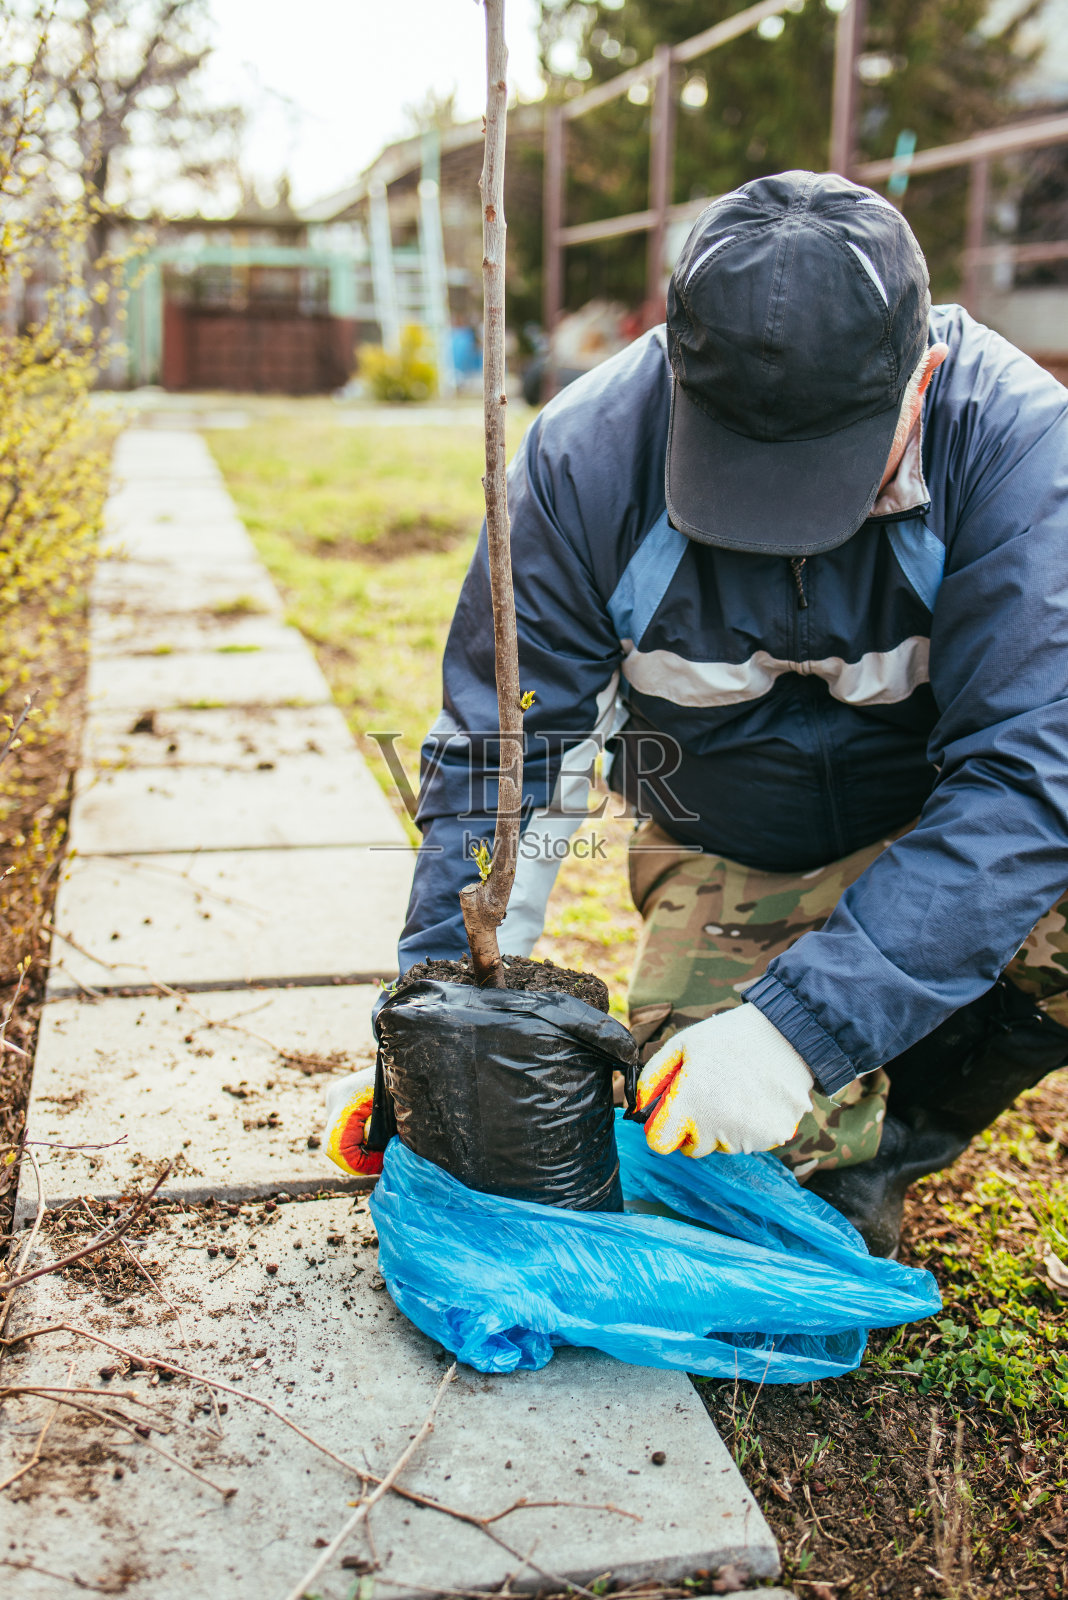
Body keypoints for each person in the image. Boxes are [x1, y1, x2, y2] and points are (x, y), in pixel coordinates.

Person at [332, 170, 1068, 1256]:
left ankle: (903, 1126)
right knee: (700, 1152)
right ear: (677, 363)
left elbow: (1028, 782)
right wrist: (440, 1020)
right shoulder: (583, 464)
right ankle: (830, 1145)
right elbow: (509, 755)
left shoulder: (1020, 452)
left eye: (820, 467)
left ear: (921, 378)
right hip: (733, 852)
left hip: (930, 832)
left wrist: (794, 1031)